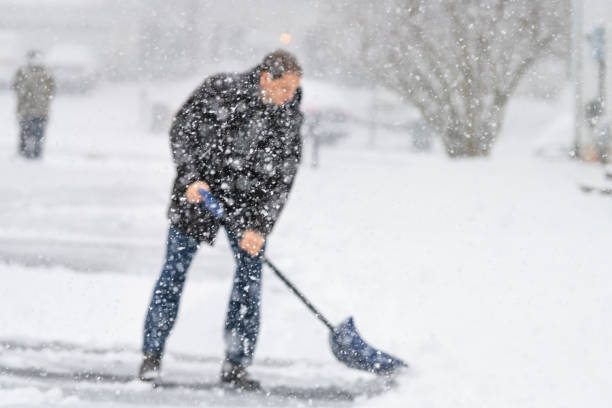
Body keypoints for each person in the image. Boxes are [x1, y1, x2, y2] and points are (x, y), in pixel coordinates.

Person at [139, 50, 303, 390]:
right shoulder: (219, 90)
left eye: (294, 89)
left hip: (248, 206)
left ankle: (236, 364)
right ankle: (151, 357)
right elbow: (182, 130)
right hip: (201, 195)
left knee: (249, 280)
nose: (289, 97)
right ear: (265, 79)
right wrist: (190, 177)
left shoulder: (288, 116)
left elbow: (283, 178)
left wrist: (260, 227)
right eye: (284, 88)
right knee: (174, 273)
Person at [11, 50, 56, 159]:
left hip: (38, 111)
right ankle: (25, 154)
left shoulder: (45, 73)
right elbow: (15, 87)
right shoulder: (22, 72)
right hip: (27, 110)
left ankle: (35, 155)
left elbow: (51, 89)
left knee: (37, 134)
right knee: (26, 134)